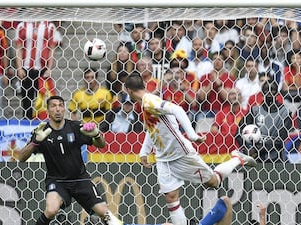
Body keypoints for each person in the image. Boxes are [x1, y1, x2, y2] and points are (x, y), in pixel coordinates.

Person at [124, 73, 256, 225]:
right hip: (164, 157)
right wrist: (144, 151)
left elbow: (178, 110)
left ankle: (237, 158)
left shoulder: (150, 101)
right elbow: (152, 127)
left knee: (213, 182)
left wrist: (193, 135)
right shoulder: (145, 103)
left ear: (128, 90)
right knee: (171, 197)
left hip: (180, 153)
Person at [17, 95, 123, 225]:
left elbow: (101, 145)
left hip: (80, 179)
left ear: (64, 109)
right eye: (53, 106)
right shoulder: (41, 132)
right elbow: (21, 157)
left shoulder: (75, 127)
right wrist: (35, 142)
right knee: (51, 210)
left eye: (60, 105)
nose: (58, 109)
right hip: (57, 181)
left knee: (104, 212)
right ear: (48, 110)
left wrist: (96, 135)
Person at [236, 80, 293, 162]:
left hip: (276, 160)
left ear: (277, 92)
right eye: (266, 90)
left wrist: (255, 150)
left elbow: (279, 140)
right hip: (255, 159)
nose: (269, 92)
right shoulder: (255, 110)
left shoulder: (285, 113)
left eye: (272, 89)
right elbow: (239, 131)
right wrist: (246, 148)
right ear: (262, 92)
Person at [15, 20, 58, 119]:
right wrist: (19, 68)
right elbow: (19, 48)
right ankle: (27, 124)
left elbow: (52, 48)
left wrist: (49, 68)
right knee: (26, 101)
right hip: (26, 69)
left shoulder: (49, 26)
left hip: (42, 70)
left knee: (43, 100)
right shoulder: (22, 26)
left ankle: (42, 124)